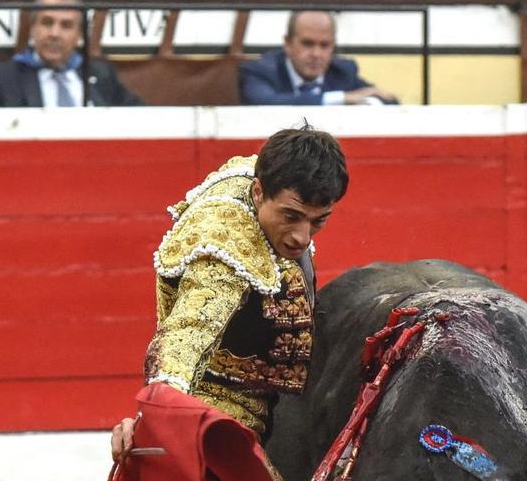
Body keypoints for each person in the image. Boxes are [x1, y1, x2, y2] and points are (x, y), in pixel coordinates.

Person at [110, 125, 348, 480]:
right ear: (258, 192)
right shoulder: (224, 248)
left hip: (277, 399)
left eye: (319, 221)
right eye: (291, 216)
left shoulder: (263, 174)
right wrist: (158, 413)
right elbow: (188, 333)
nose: (302, 236)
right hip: (216, 418)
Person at [0, 0, 141, 107]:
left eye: (66, 26)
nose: (54, 33)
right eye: (47, 23)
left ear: (79, 36)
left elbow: (141, 118)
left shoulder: (100, 74)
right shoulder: (2, 79)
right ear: (32, 28)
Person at [239, 10, 397, 105]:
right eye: (307, 44)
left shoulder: (342, 71)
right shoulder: (261, 70)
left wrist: (372, 102)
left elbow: (388, 102)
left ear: (333, 46)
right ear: (287, 43)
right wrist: (340, 98)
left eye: (325, 45)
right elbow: (266, 103)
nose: (316, 54)